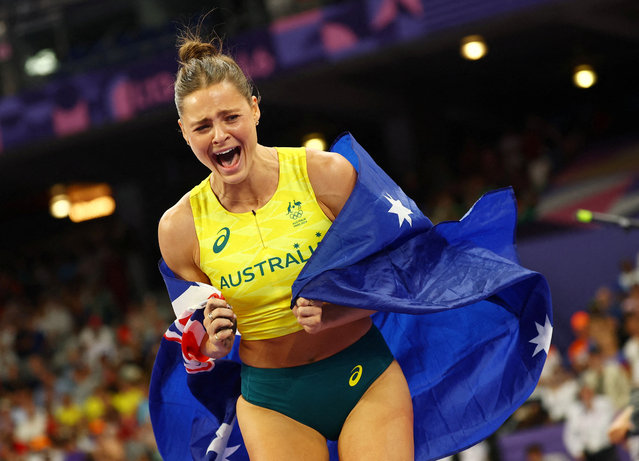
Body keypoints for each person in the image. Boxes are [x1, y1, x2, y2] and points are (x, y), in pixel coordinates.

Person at [157, 28, 414, 460]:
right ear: (184, 132)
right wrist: (213, 345)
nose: (219, 135)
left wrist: (338, 311)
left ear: (255, 109)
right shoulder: (179, 230)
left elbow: (400, 277)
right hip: (272, 403)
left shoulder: (325, 175)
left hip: (364, 376)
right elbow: (197, 338)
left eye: (230, 117)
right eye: (202, 126)